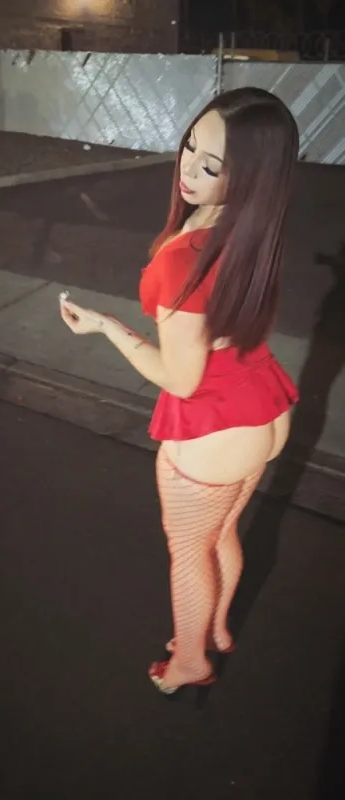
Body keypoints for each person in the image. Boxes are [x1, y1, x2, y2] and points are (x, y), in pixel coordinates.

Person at [60, 87, 299, 696]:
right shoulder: (251, 228)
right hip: (262, 408)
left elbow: (181, 378)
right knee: (222, 534)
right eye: (190, 146)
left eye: (211, 165)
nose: (188, 169)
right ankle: (215, 628)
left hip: (215, 427)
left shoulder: (185, 257)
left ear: (250, 178)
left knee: (190, 550)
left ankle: (190, 661)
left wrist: (107, 327)